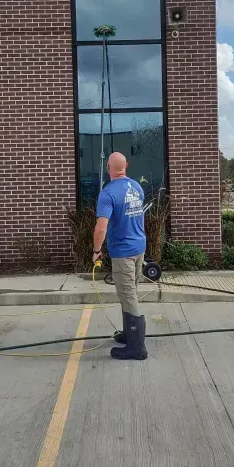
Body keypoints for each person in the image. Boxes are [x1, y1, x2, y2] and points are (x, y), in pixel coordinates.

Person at [92, 152, 148, 360]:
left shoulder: (108, 193)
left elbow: (100, 228)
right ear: (127, 166)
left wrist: (96, 252)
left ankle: (137, 347)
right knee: (130, 293)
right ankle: (128, 334)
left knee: (128, 296)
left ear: (108, 168)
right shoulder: (136, 187)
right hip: (138, 247)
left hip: (123, 253)